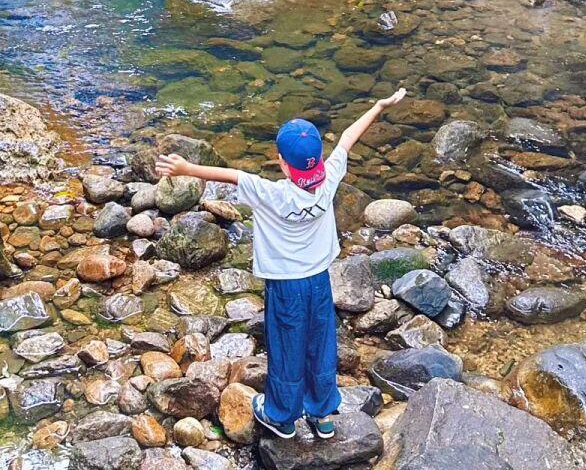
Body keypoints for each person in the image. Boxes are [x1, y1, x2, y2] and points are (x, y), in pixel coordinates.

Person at [154, 87, 407, 440]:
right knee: (320, 345)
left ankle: (281, 416)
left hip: (286, 286)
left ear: (281, 163)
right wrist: (379, 106)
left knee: (287, 345)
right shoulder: (329, 177)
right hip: (319, 281)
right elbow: (349, 137)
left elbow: (228, 176)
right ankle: (322, 415)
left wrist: (184, 167)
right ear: (317, 160)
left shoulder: (272, 193)